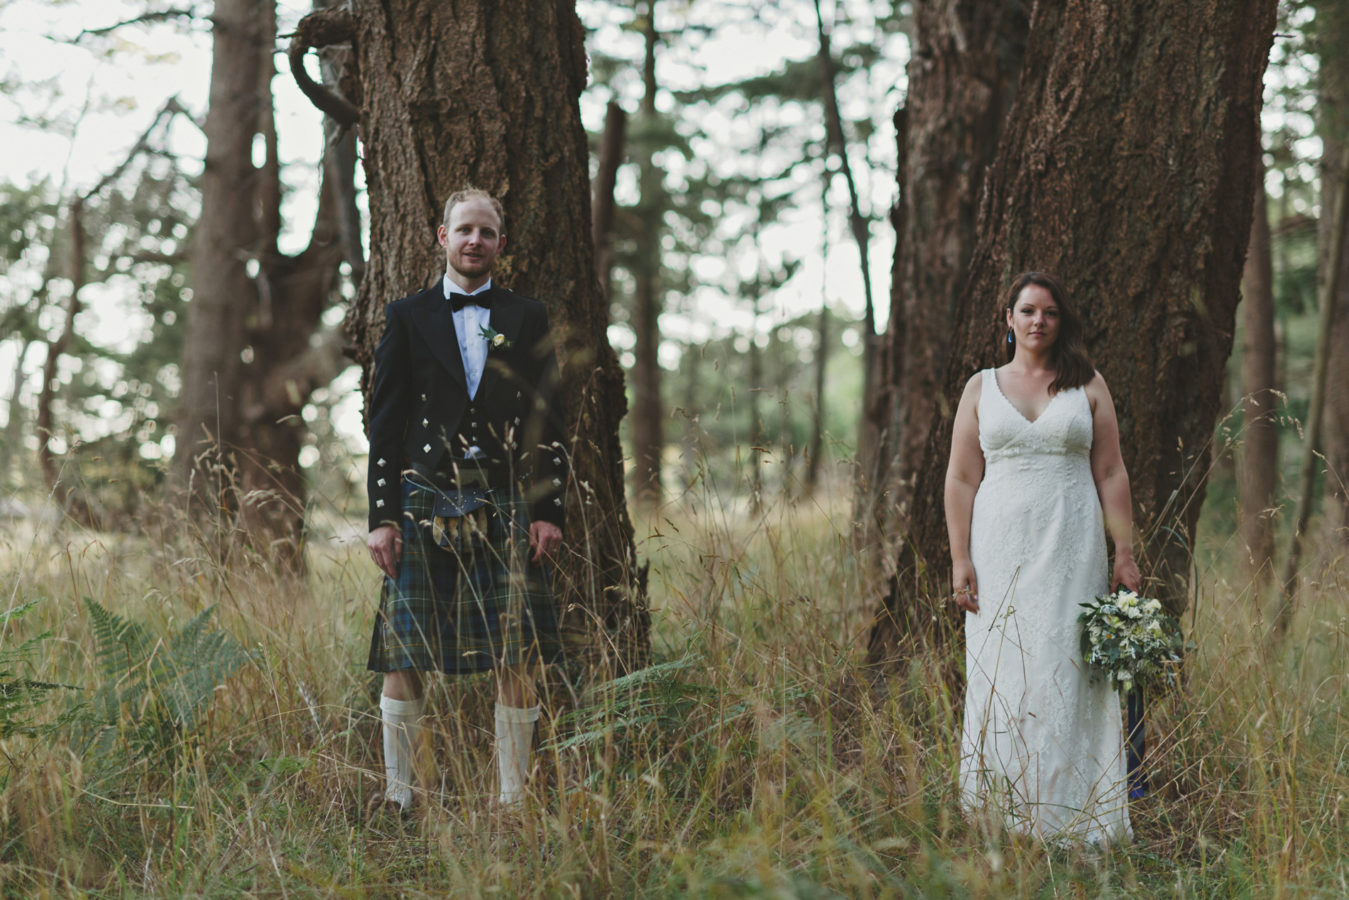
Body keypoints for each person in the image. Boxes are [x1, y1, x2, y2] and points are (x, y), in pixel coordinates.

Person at [364, 187, 567, 814]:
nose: (474, 241)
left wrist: (547, 510)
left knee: (516, 647)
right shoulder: (407, 316)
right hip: (423, 497)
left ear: (500, 244)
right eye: (464, 231)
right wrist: (382, 517)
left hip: (505, 497)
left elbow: (549, 418)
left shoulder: (528, 317)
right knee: (405, 648)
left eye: (485, 232)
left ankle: (512, 800)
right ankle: (402, 798)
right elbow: (385, 424)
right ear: (441, 237)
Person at [945, 271, 1141, 844]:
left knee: (1068, 667)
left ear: (1062, 321)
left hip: (1070, 544)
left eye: (1049, 312)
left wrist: (1123, 552)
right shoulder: (981, 387)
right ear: (1008, 319)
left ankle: (1075, 818)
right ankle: (1002, 817)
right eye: (1027, 311)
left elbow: (1111, 472)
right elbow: (960, 477)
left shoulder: (1087, 384)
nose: (1038, 321)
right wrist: (961, 557)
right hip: (998, 548)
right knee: (1002, 671)